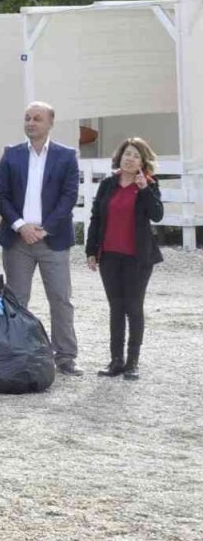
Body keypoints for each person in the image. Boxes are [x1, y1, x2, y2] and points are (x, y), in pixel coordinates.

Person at [0, 102, 83, 376]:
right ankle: (14, 352)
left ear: (50, 123)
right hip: (17, 240)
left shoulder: (66, 155)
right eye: (27, 118)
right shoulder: (11, 155)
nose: (31, 123)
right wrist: (21, 225)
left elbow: (69, 196)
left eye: (37, 118)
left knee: (60, 299)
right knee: (16, 300)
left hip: (52, 239)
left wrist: (44, 228)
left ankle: (66, 357)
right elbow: (1, 193)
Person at [86, 138, 162, 381]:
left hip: (137, 258)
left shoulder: (149, 184)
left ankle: (132, 362)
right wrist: (91, 251)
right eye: (127, 154)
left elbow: (157, 215)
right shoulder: (108, 184)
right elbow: (96, 217)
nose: (130, 159)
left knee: (133, 307)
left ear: (143, 162)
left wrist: (144, 189)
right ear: (120, 157)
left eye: (136, 156)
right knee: (116, 308)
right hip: (109, 255)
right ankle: (116, 360)